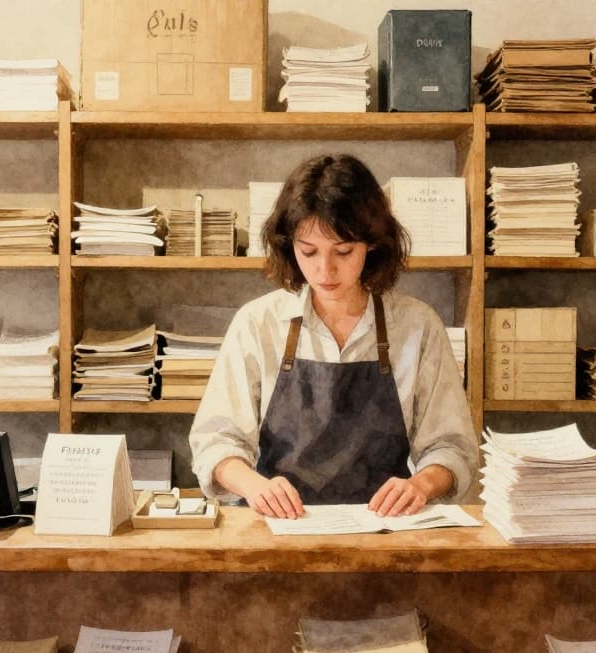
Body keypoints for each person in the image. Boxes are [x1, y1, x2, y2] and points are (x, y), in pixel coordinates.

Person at [189, 154, 476, 519]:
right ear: (288, 245)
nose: (325, 270)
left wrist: (420, 485)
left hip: (385, 532)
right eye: (308, 251)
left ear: (372, 244)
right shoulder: (258, 323)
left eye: (343, 251)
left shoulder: (418, 326)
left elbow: (451, 447)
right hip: (276, 532)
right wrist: (254, 486)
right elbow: (216, 442)